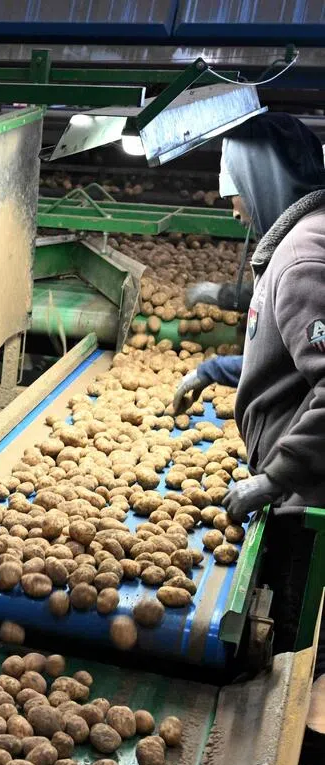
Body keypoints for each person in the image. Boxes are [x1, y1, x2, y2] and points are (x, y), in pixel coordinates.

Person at [170, 114, 325, 522]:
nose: (233, 211)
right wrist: (214, 369)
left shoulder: (300, 258)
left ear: (261, 183)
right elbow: (288, 365)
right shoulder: (302, 239)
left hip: (306, 499)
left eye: (234, 191)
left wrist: (275, 479)